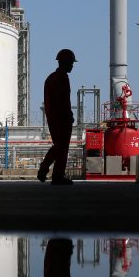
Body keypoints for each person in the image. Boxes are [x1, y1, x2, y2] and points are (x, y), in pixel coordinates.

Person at [38, 49, 77, 185]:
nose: (72, 66)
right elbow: (64, 100)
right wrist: (69, 115)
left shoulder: (50, 78)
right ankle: (51, 172)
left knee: (59, 146)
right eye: (71, 63)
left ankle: (53, 173)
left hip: (53, 117)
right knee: (61, 147)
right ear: (65, 63)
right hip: (61, 118)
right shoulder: (62, 78)